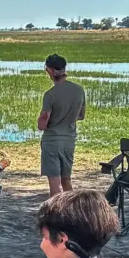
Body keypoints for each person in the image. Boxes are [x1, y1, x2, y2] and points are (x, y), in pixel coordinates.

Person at [38, 54, 86, 198]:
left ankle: (56, 213)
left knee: (54, 181)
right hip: (69, 141)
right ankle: (71, 211)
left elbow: (43, 121)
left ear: (49, 70)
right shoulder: (79, 90)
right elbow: (81, 115)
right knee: (66, 180)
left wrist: (43, 121)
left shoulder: (50, 94)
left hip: (52, 141)